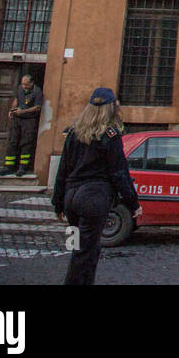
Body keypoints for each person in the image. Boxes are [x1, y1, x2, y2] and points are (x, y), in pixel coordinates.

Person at [51, 88, 141, 285]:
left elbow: (63, 169)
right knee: (86, 252)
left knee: (80, 249)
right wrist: (133, 203)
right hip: (93, 199)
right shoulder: (110, 135)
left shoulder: (75, 132)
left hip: (72, 199)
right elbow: (119, 172)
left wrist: (58, 203)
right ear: (110, 108)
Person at [3, 75, 43, 175]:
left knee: (26, 143)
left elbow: (37, 107)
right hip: (17, 119)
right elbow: (16, 100)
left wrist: (23, 112)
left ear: (32, 83)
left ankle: (23, 167)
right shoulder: (20, 89)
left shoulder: (37, 92)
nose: (24, 86)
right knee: (12, 141)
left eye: (26, 84)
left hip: (29, 120)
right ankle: (9, 167)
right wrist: (12, 110)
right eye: (23, 84)